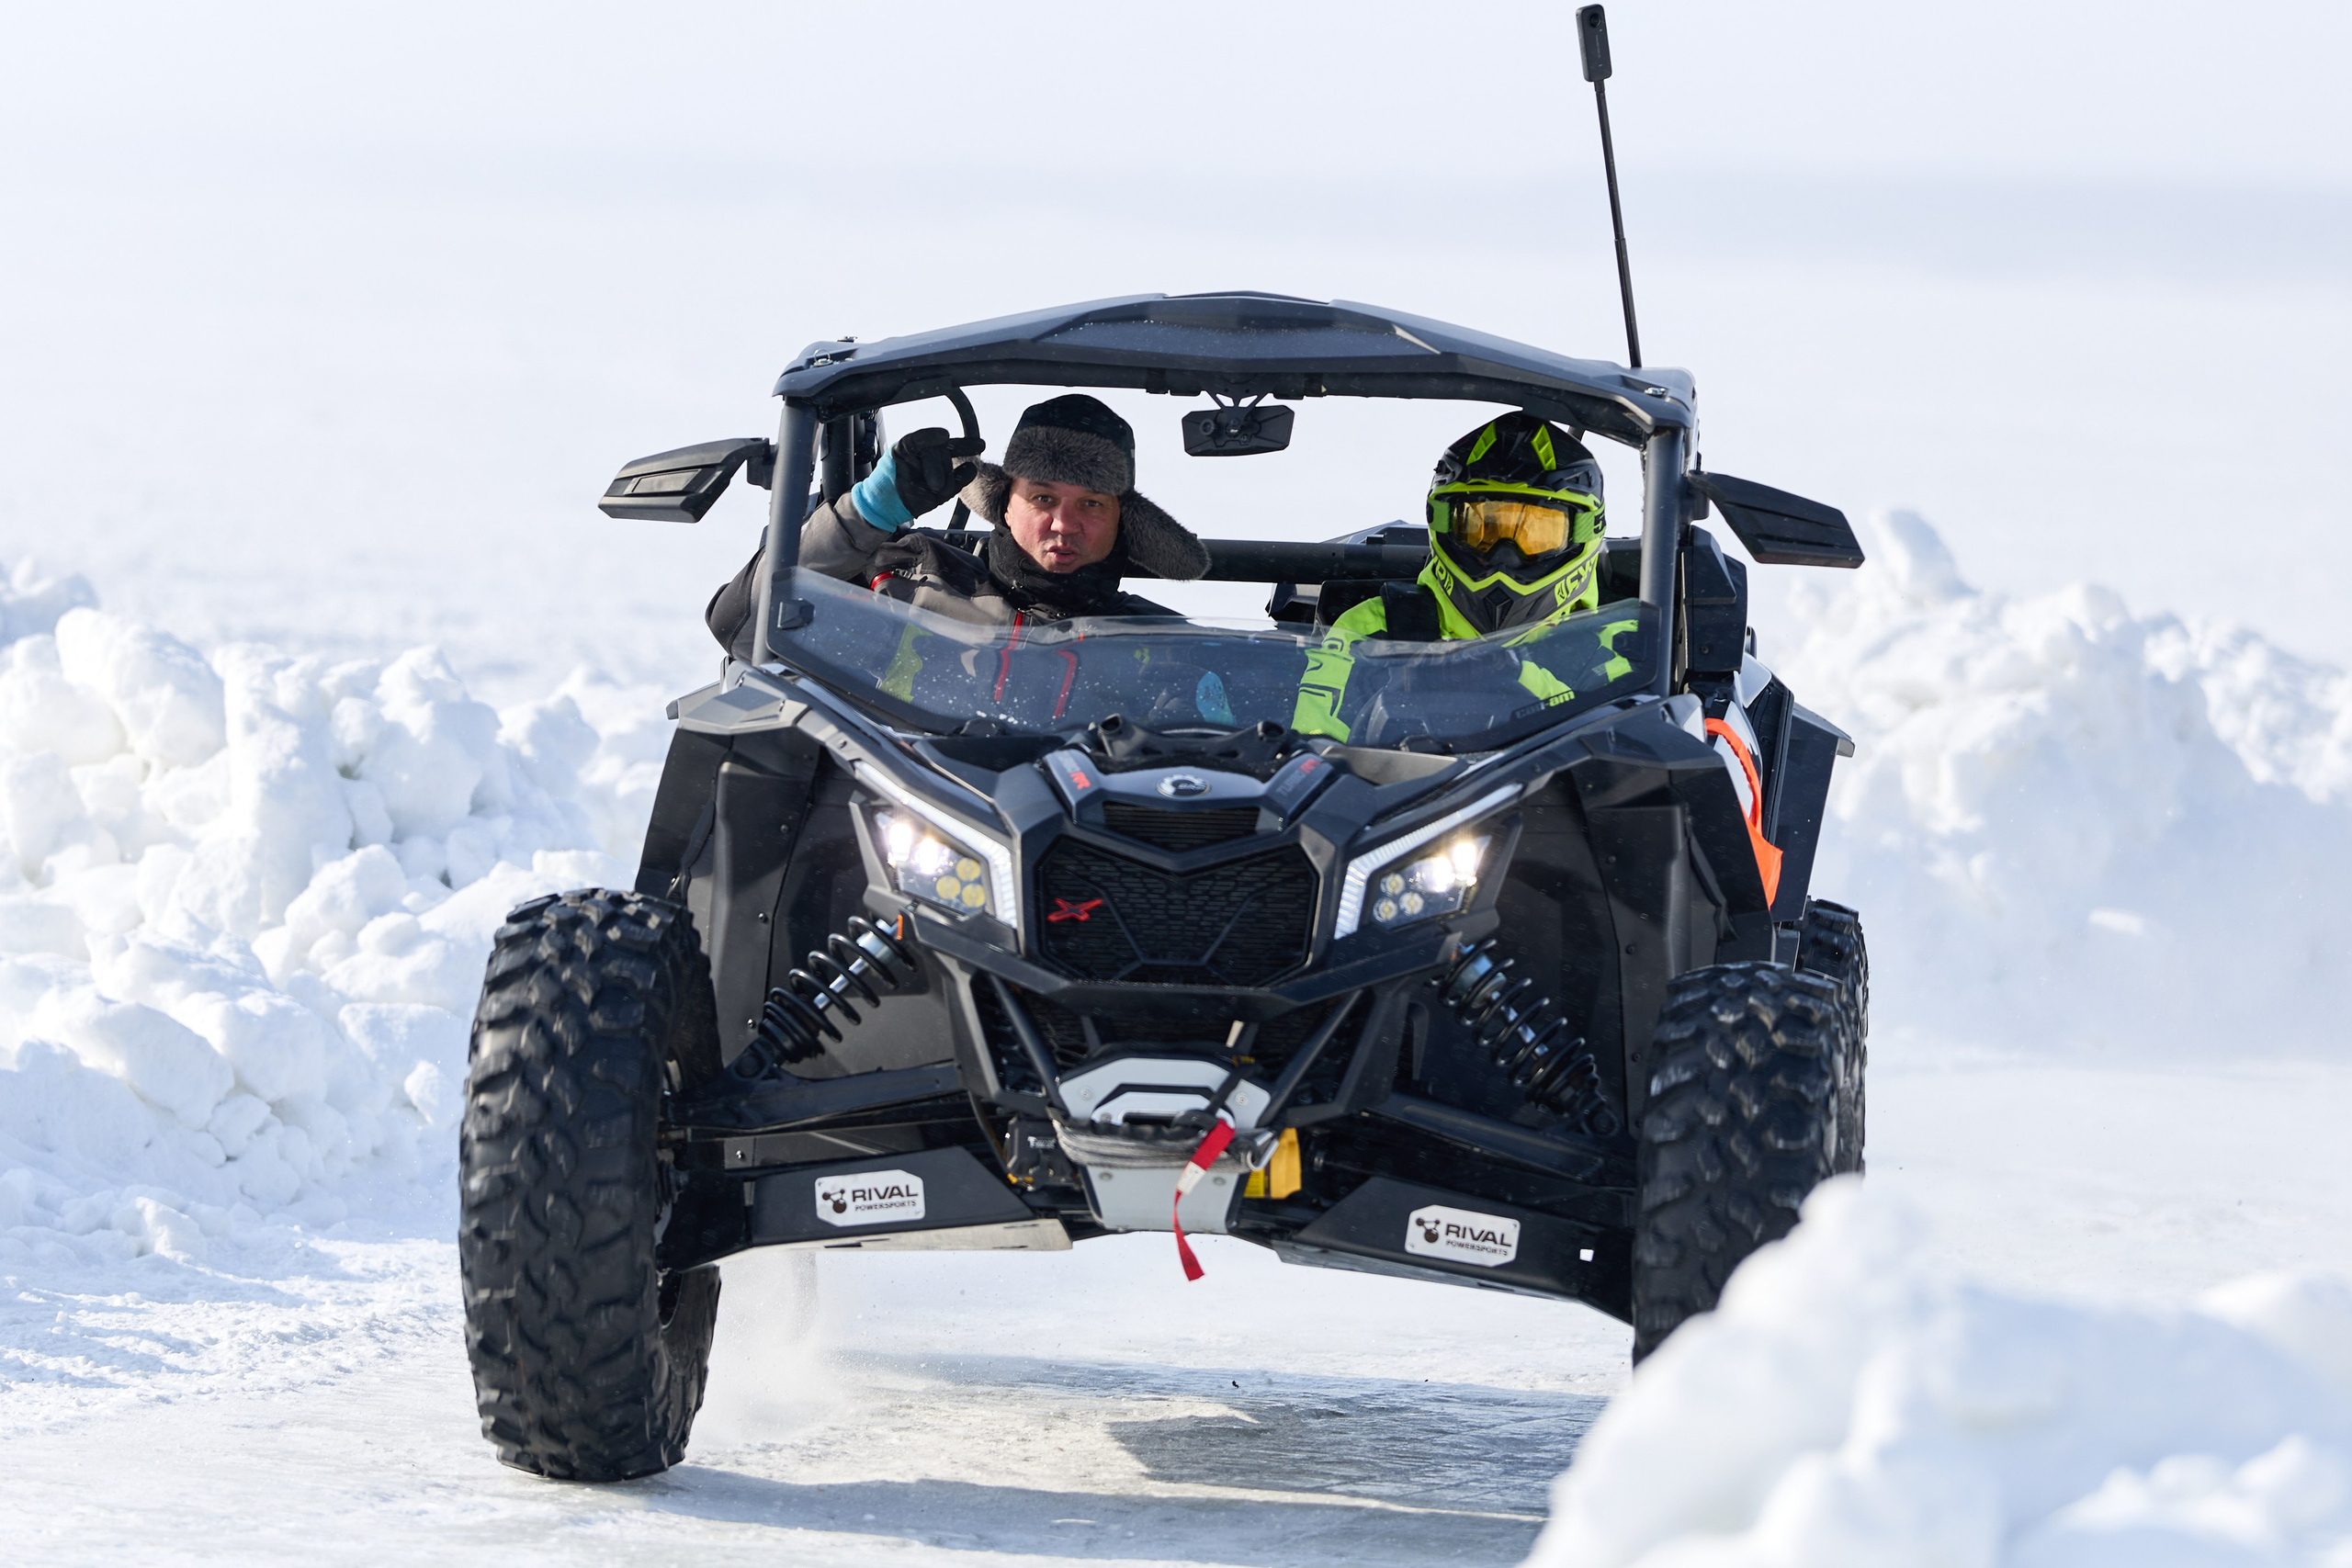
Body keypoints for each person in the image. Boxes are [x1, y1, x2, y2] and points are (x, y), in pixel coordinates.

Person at [706, 393, 1209, 660]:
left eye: (1092, 504)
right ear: (1004, 504)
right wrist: (867, 512)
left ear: (1123, 521)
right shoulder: (897, 578)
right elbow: (743, 629)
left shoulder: (1163, 646)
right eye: (1042, 498)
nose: (1063, 524)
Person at [1291, 412, 1630, 739]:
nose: (1504, 556)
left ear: (1583, 531)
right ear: (1443, 522)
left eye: (1537, 534)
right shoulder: (1370, 630)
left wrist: (1516, 676)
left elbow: (1624, 754)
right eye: (1480, 529)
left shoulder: (1619, 645)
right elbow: (1315, 749)